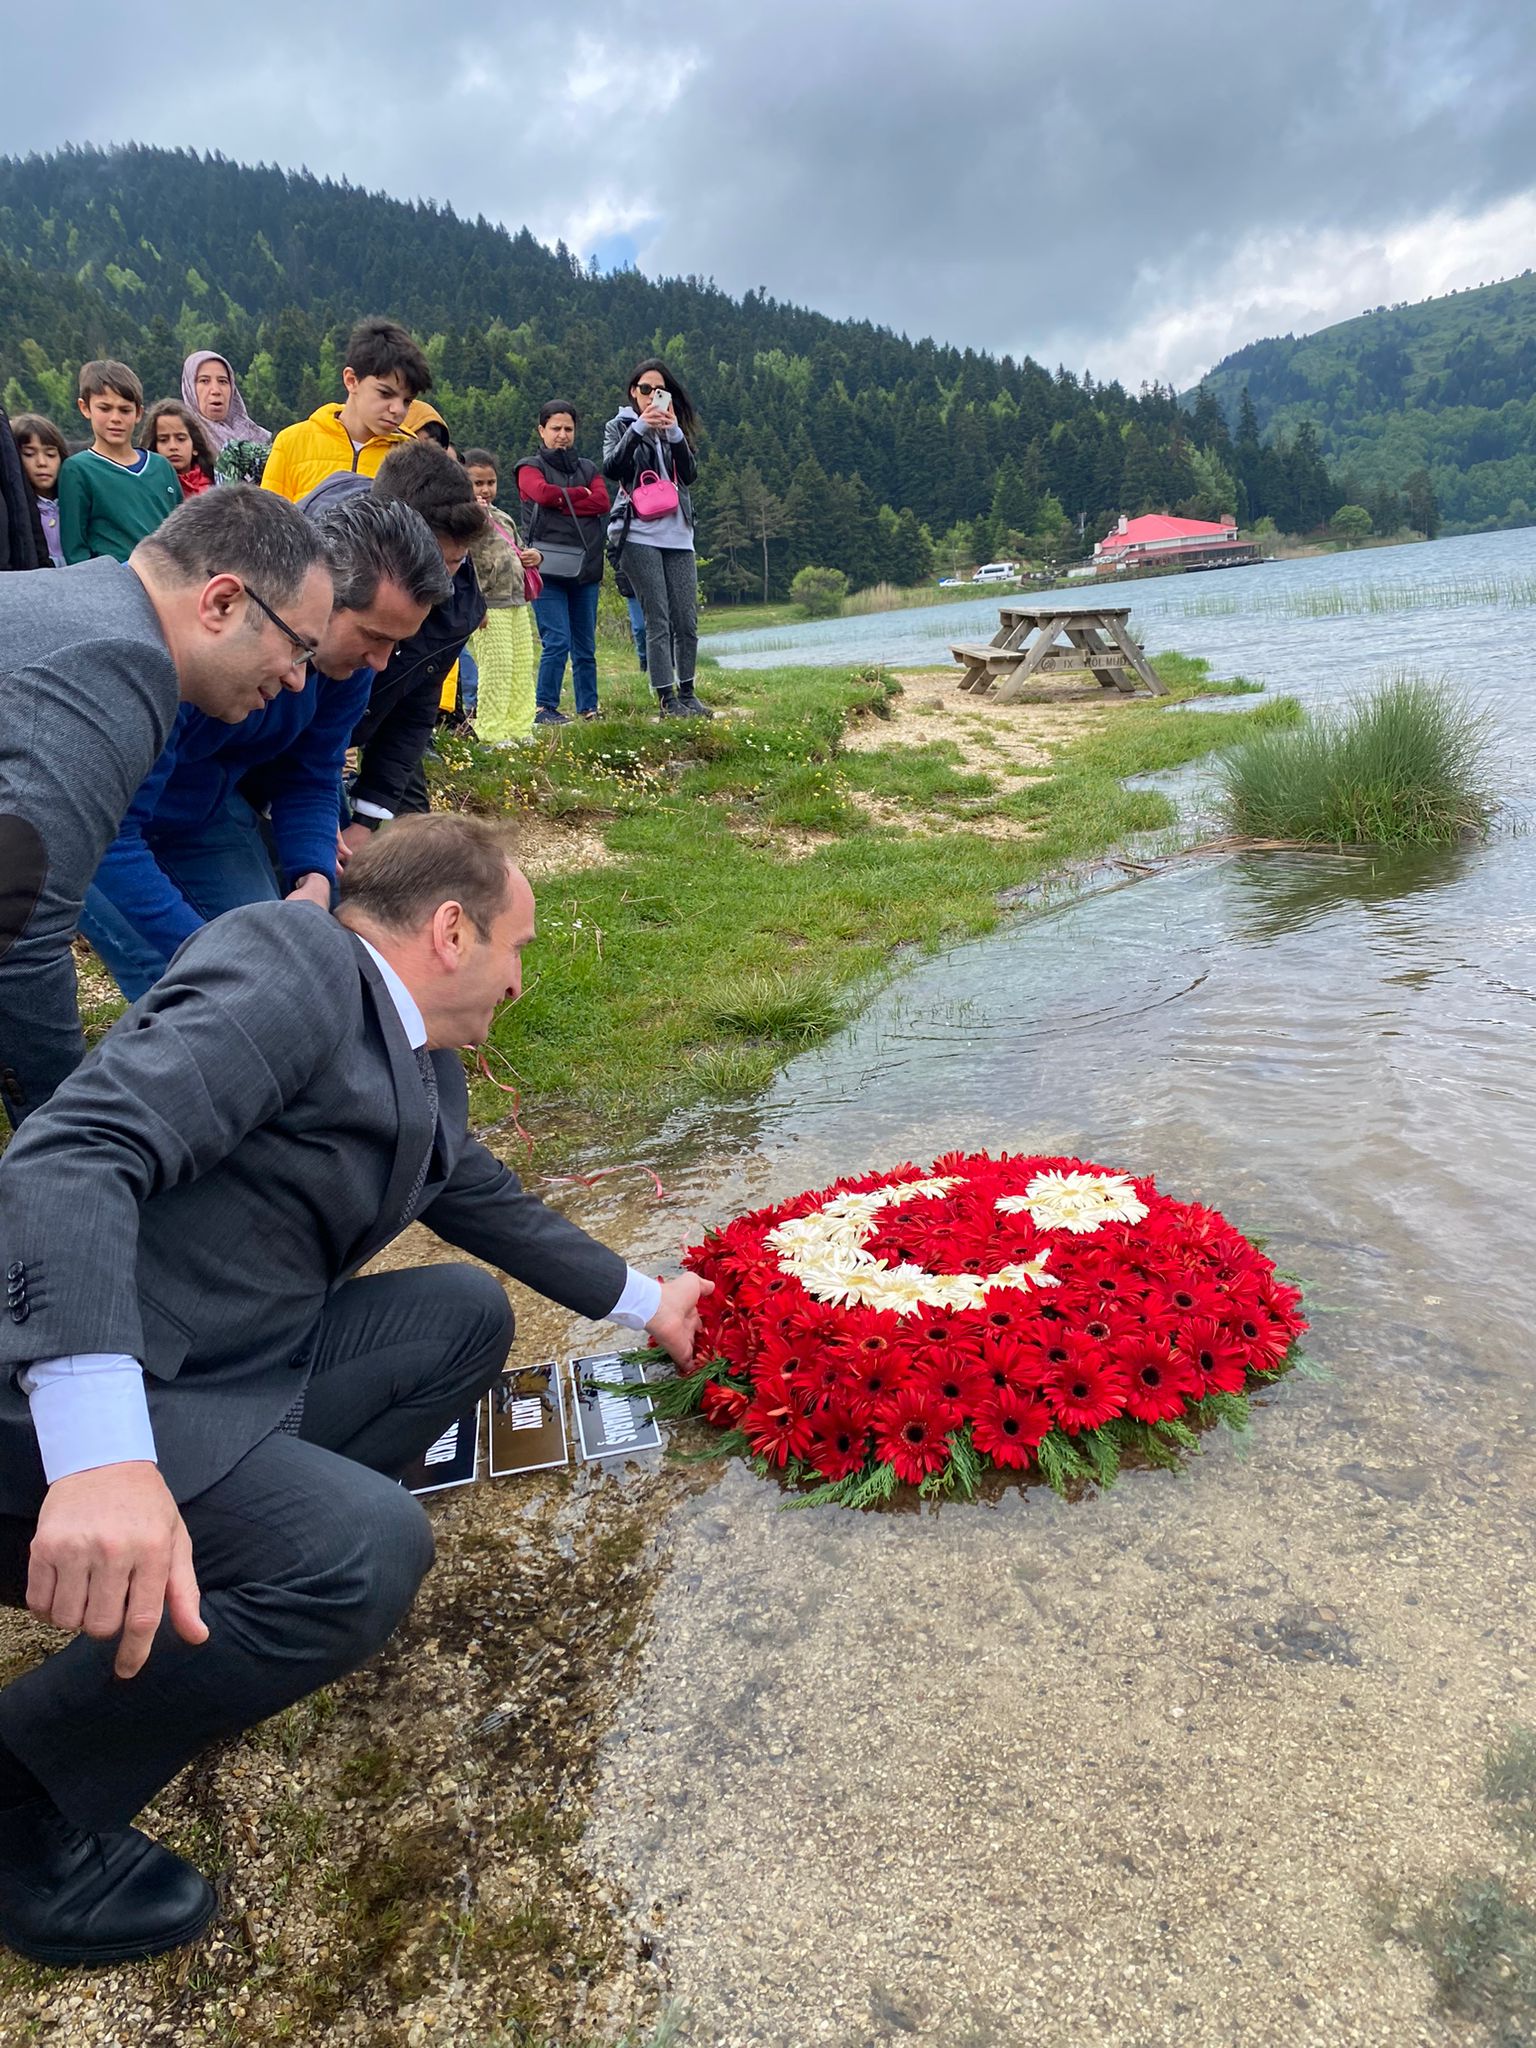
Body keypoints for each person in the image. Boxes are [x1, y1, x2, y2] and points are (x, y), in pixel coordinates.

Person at [0, 813, 713, 1969]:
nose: (523, 979)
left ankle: (239, 1596)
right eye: (517, 946)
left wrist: (648, 1300)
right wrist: (100, 1459)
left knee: (464, 1312)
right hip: (88, 1397)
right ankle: (24, 1795)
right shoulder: (289, 963)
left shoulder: (419, 1048)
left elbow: (473, 1190)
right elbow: (72, 1152)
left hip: (239, 1363)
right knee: (361, 1549)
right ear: (450, 929)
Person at [0, 486, 334, 1125]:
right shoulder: (119, 668)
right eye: (297, 646)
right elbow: (21, 934)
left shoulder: (89, 603)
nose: (297, 678)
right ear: (223, 601)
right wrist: (66, 1140)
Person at [81, 496, 450, 998]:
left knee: (271, 955)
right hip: (103, 835)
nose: (381, 663)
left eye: (396, 643)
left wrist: (315, 873)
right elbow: (111, 837)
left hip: (206, 812)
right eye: (373, 636)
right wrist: (209, 960)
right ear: (318, 598)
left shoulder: (349, 667)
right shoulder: (174, 662)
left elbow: (312, 770)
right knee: (198, 988)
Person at [343, 442, 486, 841]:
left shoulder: (459, 610)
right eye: (430, 560)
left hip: (369, 732)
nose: (441, 583)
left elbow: (414, 711)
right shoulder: (326, 574)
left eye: (456, 563)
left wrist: (365, 817)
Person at [602, 359, 711, 718]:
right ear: (633, 392)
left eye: (658, 390)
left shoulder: (674, 429)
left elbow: (690, 476)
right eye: (645, 389)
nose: (652, 396)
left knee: (687, 620)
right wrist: (638, 430)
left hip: (678, 532)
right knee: (658, 618)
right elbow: (612, 468)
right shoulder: (619, 426)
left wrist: (676, 434)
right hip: (637, 532)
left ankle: (689, 692)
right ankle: (667, 699)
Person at [261, 319, 430, 504]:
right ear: (351, 380)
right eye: (385, 393)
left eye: (407, 401)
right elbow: (268, 525)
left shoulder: (413, 458)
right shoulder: (292, 443)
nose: (397, 410)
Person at [517, 402, 610, 725]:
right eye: (555, 428)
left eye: (568, 429)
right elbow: (540, 494)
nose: (562, 435)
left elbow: (602, 501)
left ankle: (589, 708)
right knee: (557, 640)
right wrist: (579, 495)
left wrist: (565, 500)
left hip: (585, 568)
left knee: (585, 645)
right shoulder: (529, 467)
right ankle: (545, 707)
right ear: (541, 430)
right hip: (545, 568)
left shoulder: (588, 468)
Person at [57, 362, 182, 565]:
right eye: (105, 408)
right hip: (114, 585)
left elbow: (182, 531)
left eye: (125, 410)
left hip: (169, 582)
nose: (115, 418)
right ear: (85, 407)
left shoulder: (161, 467)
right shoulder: (78, 470)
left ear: (138, 414)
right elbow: (75, 550)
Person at [461, 448, 540, 744]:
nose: (485, 489)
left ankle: (520, 726)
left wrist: (534, 556)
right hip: (488, 604)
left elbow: (518, 547)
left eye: (490, 482)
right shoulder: (464, 520)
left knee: (521, 665)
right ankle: (491, 730)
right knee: (496, 669)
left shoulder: (503, 517)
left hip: (517, 600)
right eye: (477, 483)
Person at [181, 352, 271, 456]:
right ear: (189, 388)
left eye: (222, 381)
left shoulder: (255, 437)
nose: (216, 390)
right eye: (204, 381)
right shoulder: (183, 440)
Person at [9, 414, 68, 567]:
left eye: (50, 454)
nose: (41, 462)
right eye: (29, 454)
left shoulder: (72, 502)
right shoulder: (14, 512)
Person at [142, 401, 217, 500]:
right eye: (163, 440)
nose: (173, 446)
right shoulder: (146, 489)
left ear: (195, 447)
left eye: (181, 439)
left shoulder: (217, 485)